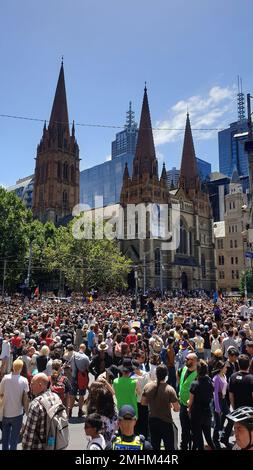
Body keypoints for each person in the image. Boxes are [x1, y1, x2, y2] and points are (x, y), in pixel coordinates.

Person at [22, 373, 64, 450]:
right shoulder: (56, 397)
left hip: (39, 446)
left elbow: (29, 433)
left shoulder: (36, 404)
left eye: (32, 384)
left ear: (40, 385)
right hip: (54, 443)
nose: (30, 387)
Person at [141, 364, 179, 450]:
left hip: (153, 420)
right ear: (166, 375)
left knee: (155, 445)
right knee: (169, 446)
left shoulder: (148, 386)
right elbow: (177, 409)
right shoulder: (170, 389)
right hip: (166, 422)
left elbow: (143, 403)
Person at [0, 359, 29, 450]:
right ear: (21, 368)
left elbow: (0, 392)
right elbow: (26, 397)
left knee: (5, 437)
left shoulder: (5, 378)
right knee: (14, 438)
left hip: (5, 412)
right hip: (18, 412)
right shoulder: (24, 380)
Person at [188, 360, 215, 450]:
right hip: (207, 412)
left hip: (196, 413)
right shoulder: (210, 383)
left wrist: (188, 409)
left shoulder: (194, 384)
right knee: (208, 438)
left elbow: (190, 401)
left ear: (197, 371)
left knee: (198, 438)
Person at [177, 353, 197, 450]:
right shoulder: (184, 368)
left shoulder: (198, 374)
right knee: (184, 428)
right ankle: (184, 445)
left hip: (192, 407)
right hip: (183, 405)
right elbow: (178, 374)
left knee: (193, 429)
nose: (185, 360)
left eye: (187, 359)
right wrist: (180, 390)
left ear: (194, 361)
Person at [69, 343, 90, 418]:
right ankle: (80, 412)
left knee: (72, 395)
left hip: (74, 377)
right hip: (82, 379)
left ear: (79, 348)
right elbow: (88, 368)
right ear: (84, 349)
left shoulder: (73, 355)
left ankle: (70, 411)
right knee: (81, 395)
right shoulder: (86, 358)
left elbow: (70, 365)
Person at [212, 360, 229, 449]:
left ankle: (222, 435)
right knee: (217, 423)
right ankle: (215, 439)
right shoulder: (216, 378)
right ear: (221, 368)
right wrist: (217, 408)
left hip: (223, 400)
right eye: (225, 367)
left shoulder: (224, 376)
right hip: (217, 400)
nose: (226, 368)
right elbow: (215, 394)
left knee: (230, 417)